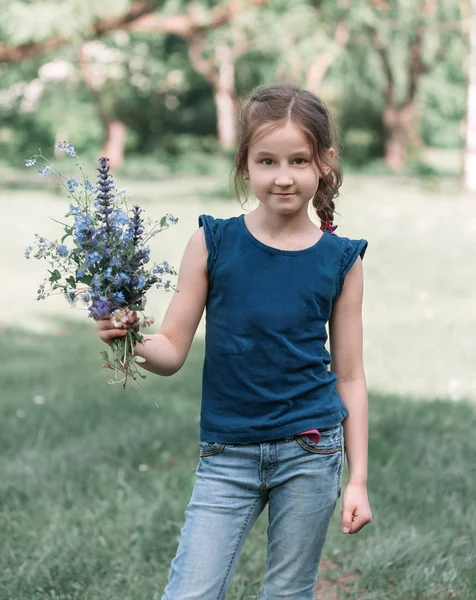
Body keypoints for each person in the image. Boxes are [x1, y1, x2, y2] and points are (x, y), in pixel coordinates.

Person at [96, 81, 372, 600]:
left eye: (299, 161)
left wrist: (356, 479)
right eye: (267, 161)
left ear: (325, 163)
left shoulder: (342, 260)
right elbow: (172, 349)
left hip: (310, 451)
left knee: (288, 594)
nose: (283, 177)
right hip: (227, 455)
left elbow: (351, 375)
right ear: (245, 164)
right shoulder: (212, 242)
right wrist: (129, 337)